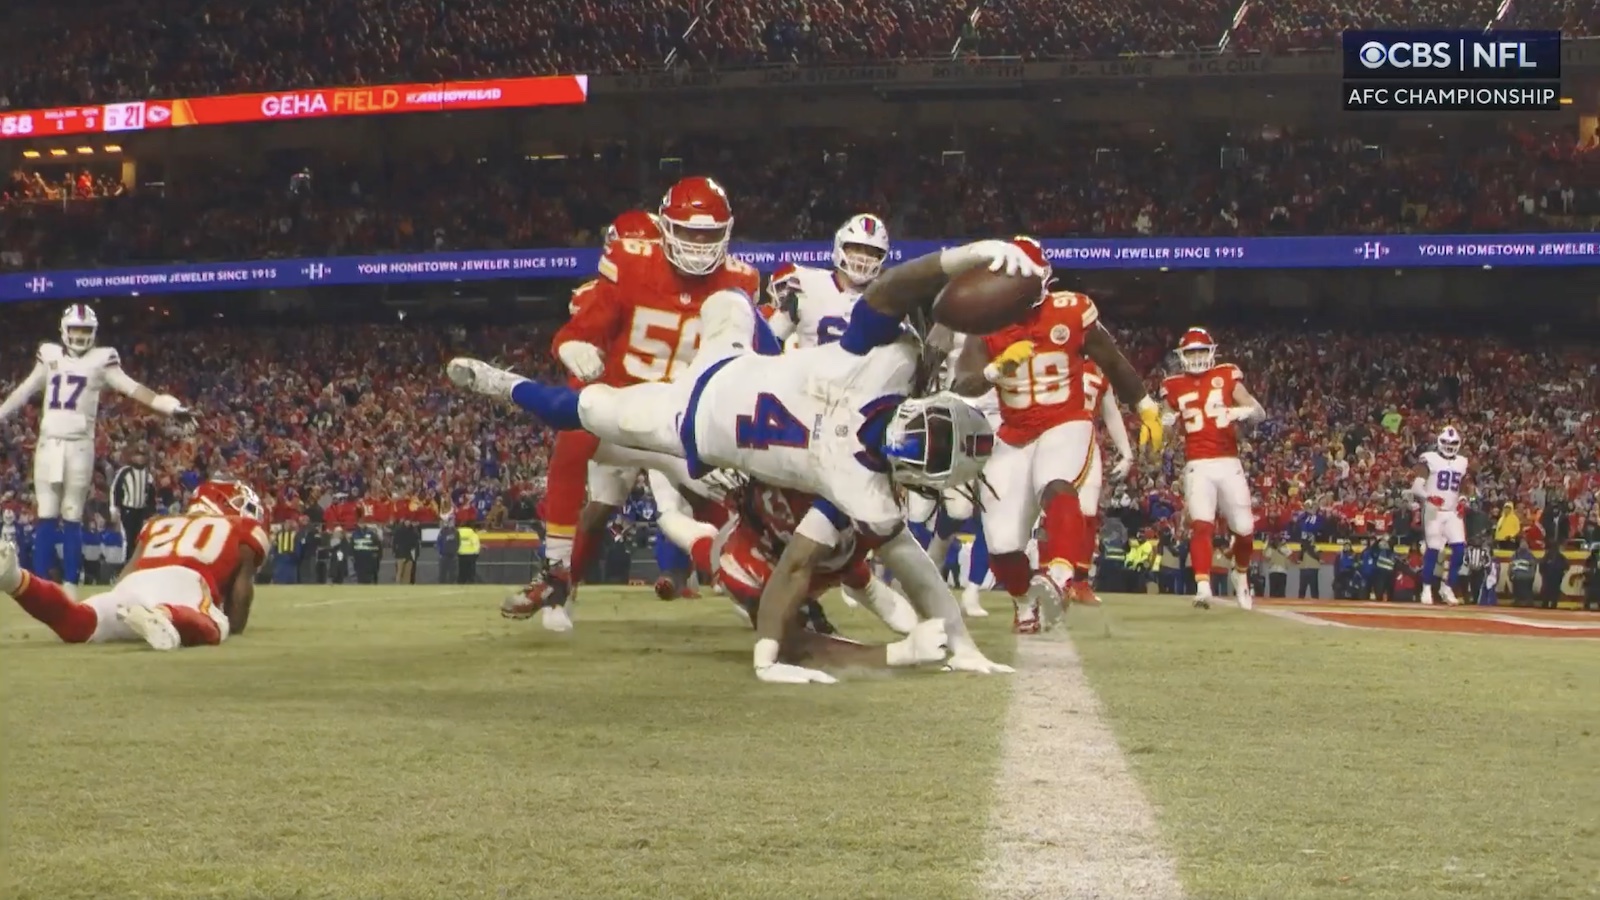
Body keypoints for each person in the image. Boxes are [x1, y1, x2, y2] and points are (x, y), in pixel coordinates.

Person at [451, 238, 1052, 682]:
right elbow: (892, 290)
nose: (918, 428)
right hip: (734, 364)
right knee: (728, 296)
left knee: (583, 413)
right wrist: (971, 254)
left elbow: (817, 570)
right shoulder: (871, 445)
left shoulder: (868, 451)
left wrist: (769, 655)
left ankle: (503, 385)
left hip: (691, 418)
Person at [529, 183, 761, 633]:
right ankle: (560, 576)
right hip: (621, 408)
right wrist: (573, 346)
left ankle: (749, 580)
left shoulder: (741, 281)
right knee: (583, 462)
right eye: (688, 235)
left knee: (723, 499)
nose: (698, 247)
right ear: (664, 232)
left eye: (708, 235)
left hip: (676, 417)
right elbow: (581, 333)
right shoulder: (629, 266)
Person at [948, 236, 1163, 632]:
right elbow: (962, 384)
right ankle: (1023, 603)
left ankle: (1061, 575)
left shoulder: (1070, 310)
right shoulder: (986, 323)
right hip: (1013, 433)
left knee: (1055, 483)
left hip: (1065, 419)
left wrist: (1145, 405)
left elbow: (1112, 361)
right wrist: (995, 372)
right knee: (1001, 540)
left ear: (1042, 280)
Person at [0, 305, 196, 597]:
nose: (79, 336)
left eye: (85, 330)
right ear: (64, 330)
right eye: (75, 329)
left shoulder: (102, 360)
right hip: (49, 441)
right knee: (47, 513)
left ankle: (70, 585)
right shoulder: (49, 355)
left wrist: (169, 407)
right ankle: (38, 587)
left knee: (72, 513)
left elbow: (134, 388)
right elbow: (25, 390)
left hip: (79, 443)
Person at [0, 479, 265, 650]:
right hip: (185, 580)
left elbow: (131, 567)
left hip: (135, 582)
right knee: (217, 625)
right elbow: (241, 595)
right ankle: (164, 614)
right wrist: (235, 621)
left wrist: (120, 596)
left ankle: (16, 580)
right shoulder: (241, 527)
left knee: (80, 621)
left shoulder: (159, 523)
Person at [1157, 327, 1265, 610]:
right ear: (1182, 355)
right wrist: (1164, 420)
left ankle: (1240, 574)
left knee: (1244, 529)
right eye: (1191, 352)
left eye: (1201, 351)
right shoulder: (1174, 384)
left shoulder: (1227, 374)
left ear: (1211, 352)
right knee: (1201, 524)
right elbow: (1163, 423)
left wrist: (1244, 411)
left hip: (1229, 461)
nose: (1196, 357)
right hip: (1197, 464)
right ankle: (1203, 587)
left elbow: (1259, 411)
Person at [763, 213, 890, 349]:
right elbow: (771, 341)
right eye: (857, 248)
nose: (863, 258)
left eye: (871, 253)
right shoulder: (805, 284)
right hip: (810, 369)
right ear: (840, 247)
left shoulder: (887, 299)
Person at [1412, 426, 1467, 605]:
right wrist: (1429, 496)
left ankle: (1447, 586)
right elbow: (1416, 486)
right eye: (1446, 442)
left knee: (1459, 549)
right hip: (1434, 511)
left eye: (1453, 443)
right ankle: (1426, 588)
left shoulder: (1462, 462)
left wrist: (1464, 499)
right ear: (1439, 442)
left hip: (1452, 511)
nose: (1449, 446)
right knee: (1433, 550)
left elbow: (1463, 486)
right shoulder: (1429, 459)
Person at [1508, 538, 1536, 606]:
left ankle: (1528, 601)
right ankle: (1517, 601)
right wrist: (1511, 574)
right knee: (1517, 589)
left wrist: (1531, 575)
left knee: (1527, 589)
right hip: (1517, 576)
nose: (1523, 545)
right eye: (1522, 543)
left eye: (1525, 543)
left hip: (1526, 576)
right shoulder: (1515, 555)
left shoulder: (1530, 555)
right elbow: (1511, 565)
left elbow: (1533, 566)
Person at [435, 515, 459, 584]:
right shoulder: (443, 531)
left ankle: (452, 584)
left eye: (453, 521)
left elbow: (458, 542)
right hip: (444, 555)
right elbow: (439, 542)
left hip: (453, 555)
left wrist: (455, 551)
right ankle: (441, 585)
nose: (452, 523)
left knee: (453, 573)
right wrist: (440, 552)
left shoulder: (456, 532)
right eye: (451, 521)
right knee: (442, 572)